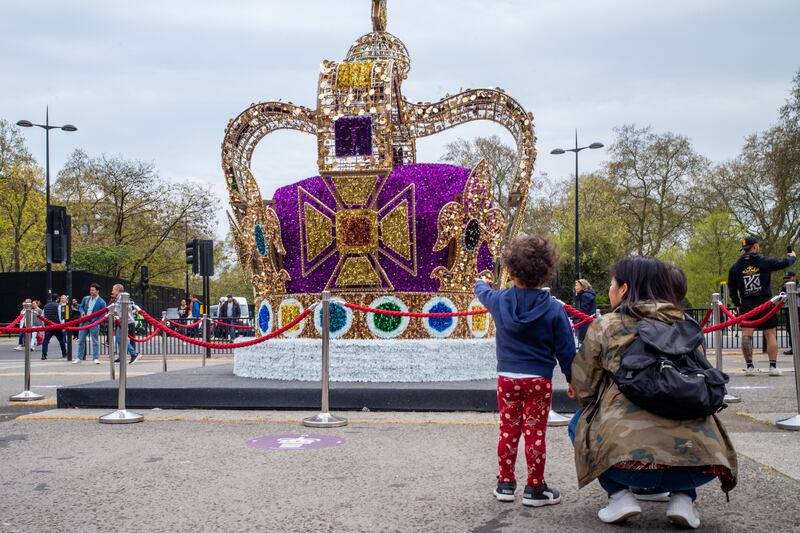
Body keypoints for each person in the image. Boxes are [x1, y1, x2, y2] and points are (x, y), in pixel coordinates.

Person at [570, 256, 737, 528]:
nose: (610, 289)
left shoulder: (608, 325)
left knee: (579, 422)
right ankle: (684, 498)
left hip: (629, 464)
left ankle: (619, 496)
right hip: (702, 461)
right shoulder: (685, 323)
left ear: (623, 289)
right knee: (682, 425)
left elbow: (584, 386)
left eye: (613, 284)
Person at [474, 235, 575, 508]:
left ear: (511, 270)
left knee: (508, 430)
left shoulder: (499, 301)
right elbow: (566, 350)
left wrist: (479, 282)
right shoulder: (554, 309)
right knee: (535, 432)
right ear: (546, 272)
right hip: (539, 380)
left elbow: (482, 293)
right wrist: (572, 378)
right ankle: (535, 488)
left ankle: (505, 483)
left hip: (507, 378)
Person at [727, 236, 796, 376]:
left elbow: (732, 288)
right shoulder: (763, 261)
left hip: (746, 303)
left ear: (744, 249)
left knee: (746, 335)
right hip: (765, 303)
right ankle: (772, 367)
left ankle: (750, 367)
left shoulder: (735, 267)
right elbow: (783, 263)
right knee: (770, 334)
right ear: (755, 246)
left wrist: (737, 304)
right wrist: (792, 257)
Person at [75, 283, 107, 364]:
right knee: (81, 340)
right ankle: (79, 357)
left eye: (93, 290)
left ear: (97, 291)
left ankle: (95, 358)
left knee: (95, 341)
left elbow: (103, 313)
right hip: (84, 321)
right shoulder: (86, 298)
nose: (91, 291)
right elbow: (81, 306)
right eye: (90, 290)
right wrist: (82, 312)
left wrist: (97, 321)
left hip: (94, 323)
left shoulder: (102, 302)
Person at [110, 284, 140, 365]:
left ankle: (134, 353)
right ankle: (122, 356)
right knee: (119, 339)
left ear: (118, 290)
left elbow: (120, 310)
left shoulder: (121, 297)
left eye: (113, 289)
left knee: (120, 338)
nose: (112, 291)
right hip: (123, 321)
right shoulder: (119, 298)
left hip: (125, 321)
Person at [39, 294, 67, 360]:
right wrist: (63, 326)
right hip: (57, 326)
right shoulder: (59, 306)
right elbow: (61, 317)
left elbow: (42, 317)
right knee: (61, 340)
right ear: (57, 299)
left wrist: (44, 326)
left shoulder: (45, 306)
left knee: (45, 341)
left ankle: (44, 355)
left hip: (48, 326)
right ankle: (64, 353)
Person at [574, 279, 597, 344]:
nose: (575, 287)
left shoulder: (585, 295)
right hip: (590, 322)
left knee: (584, 343)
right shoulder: (588, 294)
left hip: (586, 324)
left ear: (582, 286)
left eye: (576, 285)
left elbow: (583, 311)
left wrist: (573, 317)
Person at [783, 271, 798, 355]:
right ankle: (793, 347)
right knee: (790, 328)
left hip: (798, 308)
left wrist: (793, 289)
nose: (788, 280)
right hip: (788, 308)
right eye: (786, 279)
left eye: (789, 278)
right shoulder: (784, 286)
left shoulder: (798, 284)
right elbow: (781, 297)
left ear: (794, 277)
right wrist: (784, 289)